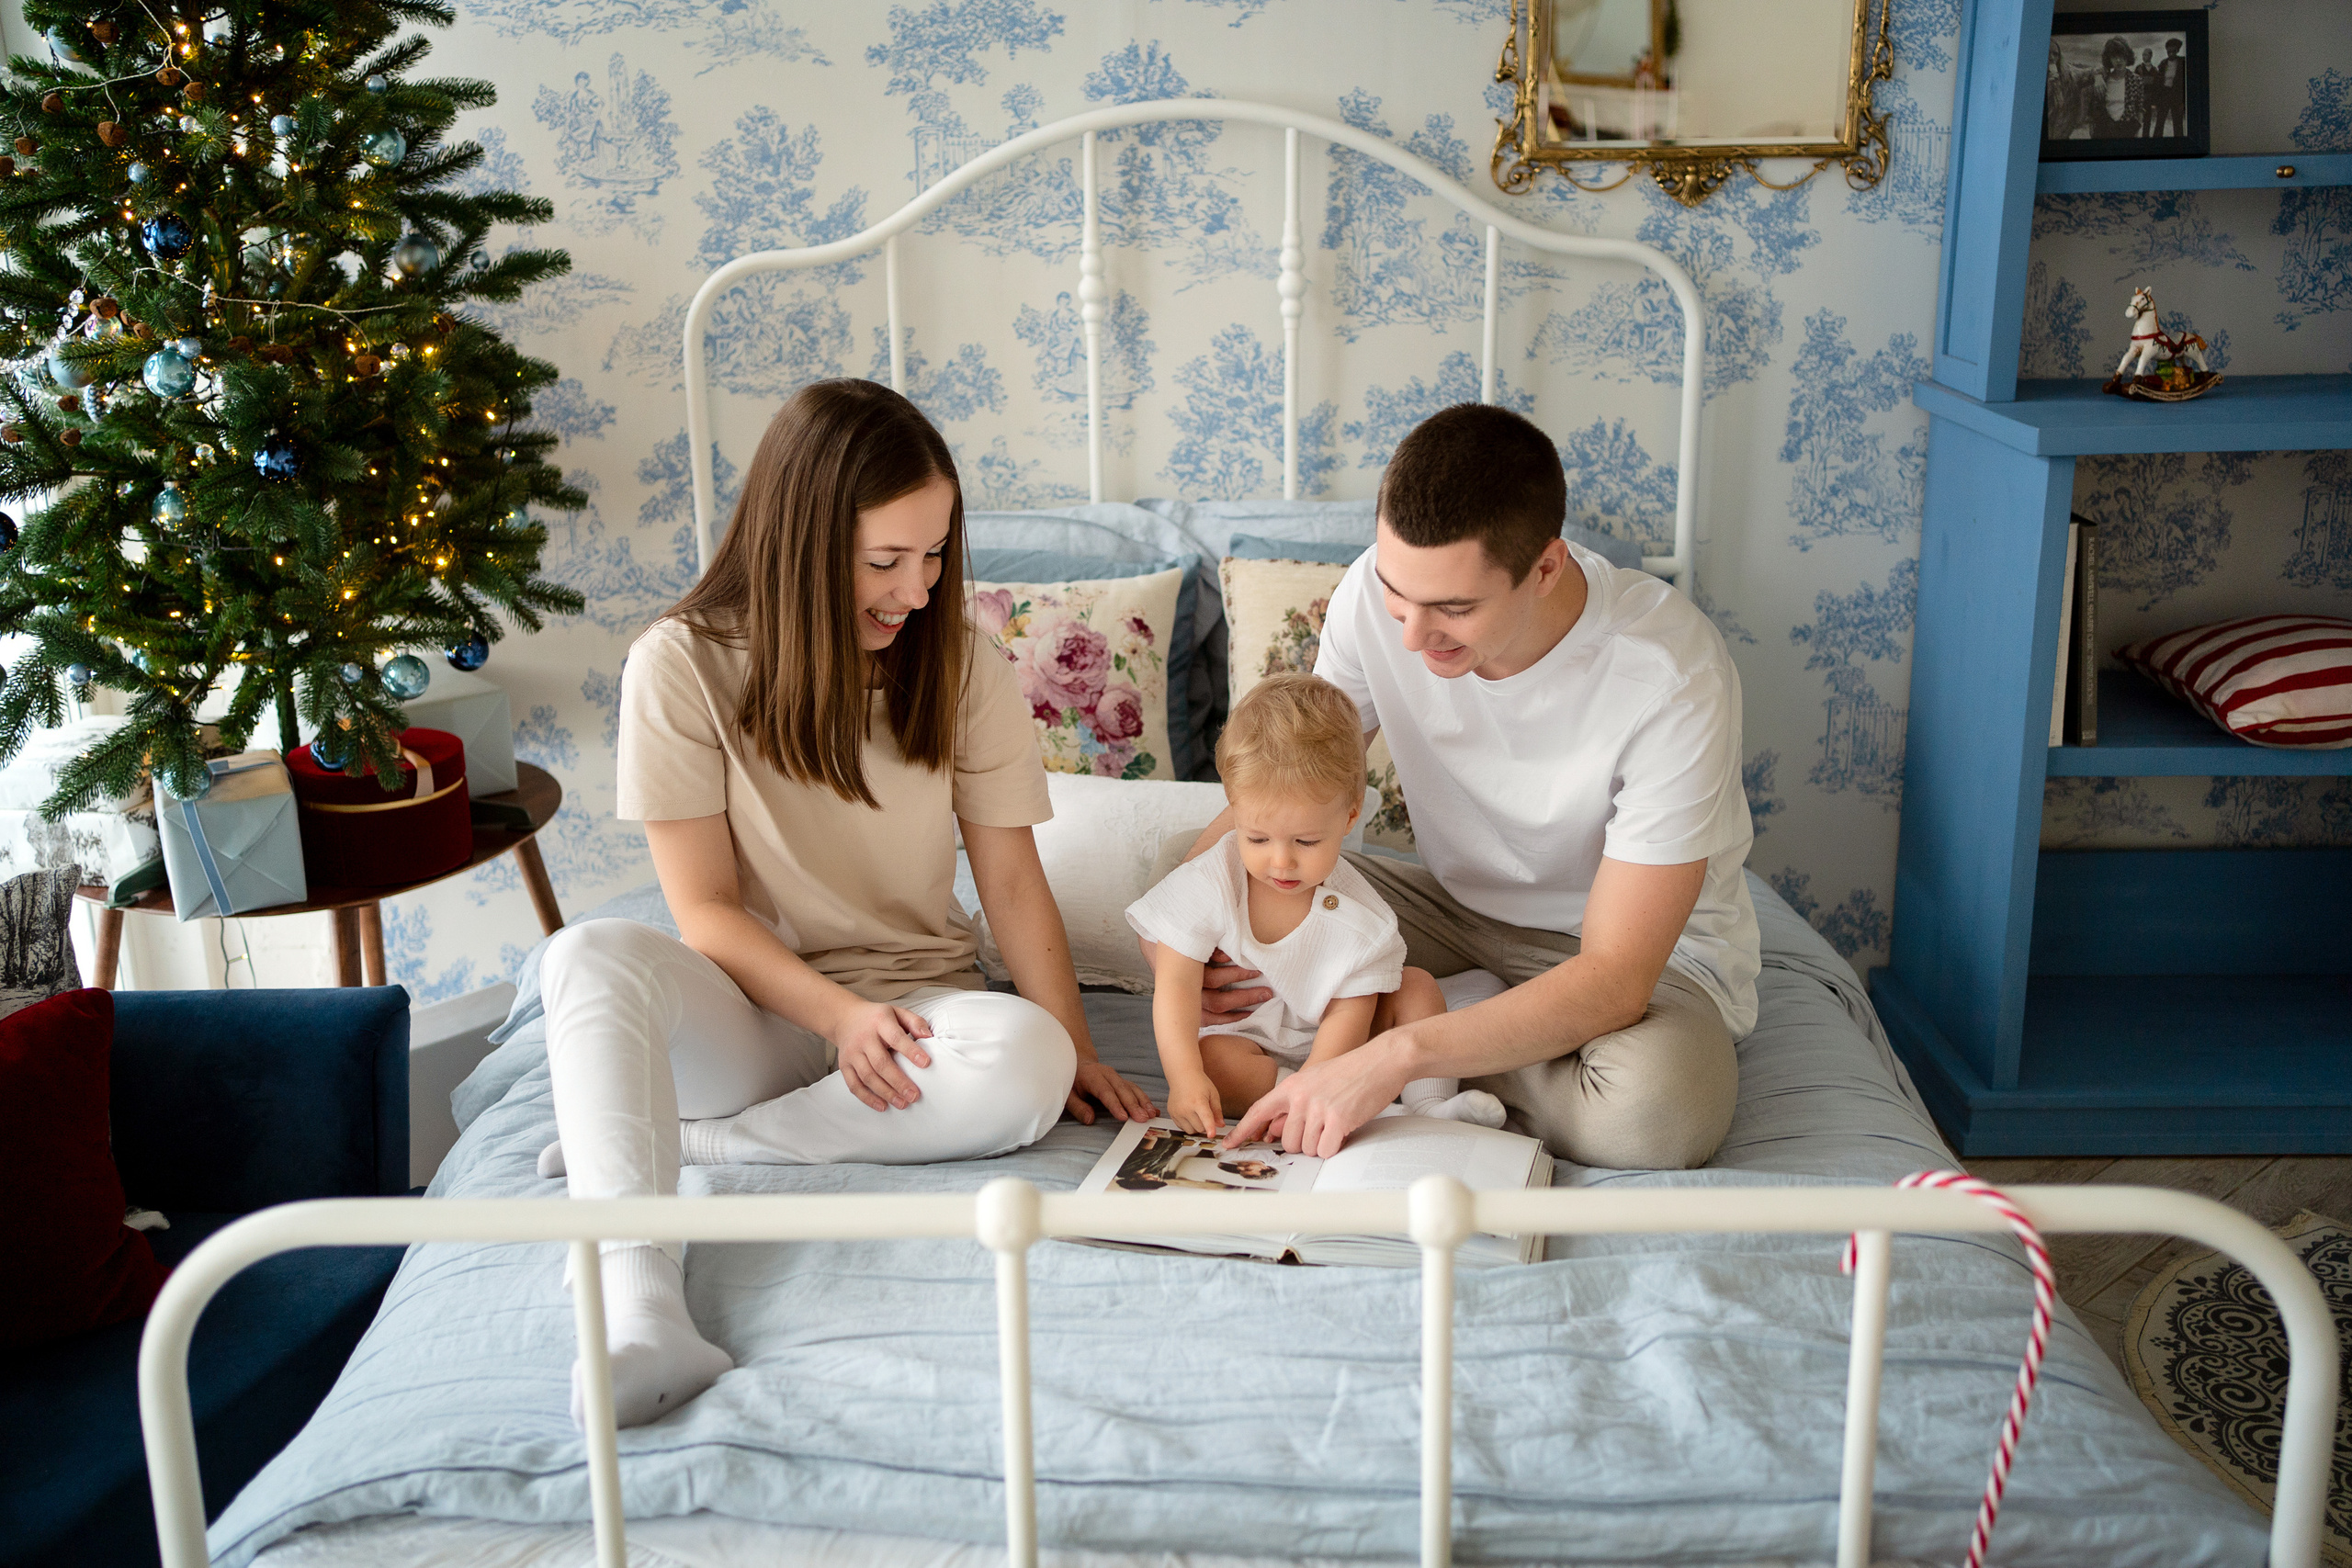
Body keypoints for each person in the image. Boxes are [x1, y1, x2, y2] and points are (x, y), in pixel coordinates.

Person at [534, 379, 1153, 1429]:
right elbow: (706, 913)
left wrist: (1075, 1046)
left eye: (935, 555)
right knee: (584, 955)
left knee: (1029, 1058)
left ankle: (703, 1145)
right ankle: (639, 1309)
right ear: (801, 538)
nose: (916, 589)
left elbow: (1010, 879)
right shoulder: (678, 666)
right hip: (754, 1016)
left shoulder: (960, 667)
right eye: (884, 561)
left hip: (918, 1013)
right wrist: (838, 1018)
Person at [1213, 403, 1756, 1170]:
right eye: (1399, 593)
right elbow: (1287, 785)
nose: (1411, 635)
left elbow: (1615, 979)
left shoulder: (1669, 676)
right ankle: (1452, 1023)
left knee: (1654, 1112)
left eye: (1455, 608)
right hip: (1449, 912)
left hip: (1627, 958)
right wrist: (1199, 921)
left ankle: (1407, 1030)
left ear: (1546, 568)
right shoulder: (1371, 595)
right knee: (1205, 874)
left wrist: (1396, 1055)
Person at [1127, 673, 1505, 1136]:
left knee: (1418, 988)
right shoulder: (1211, 880)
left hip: (1338, 1045)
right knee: (1213, 1064)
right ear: (1233, 807)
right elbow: (1176, 982)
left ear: (1349, 817)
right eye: (1257, 838)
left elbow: (1350, 1014)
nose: (1281, 862)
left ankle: (1429, 1107)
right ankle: (1321, 1104)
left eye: (1306, 842)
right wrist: (1184, 1078)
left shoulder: (1363, 917)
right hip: (1248, 1038)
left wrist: (1318, 1083)